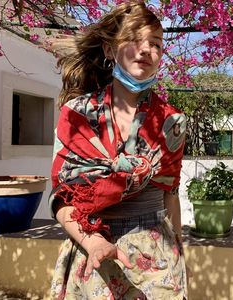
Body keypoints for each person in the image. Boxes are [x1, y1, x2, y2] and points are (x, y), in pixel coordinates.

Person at [49, 2, 188, 299]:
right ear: (110, 49)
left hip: (157, 257)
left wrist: (178, 249)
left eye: (156, 44)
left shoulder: (172, 122)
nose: (146, 49)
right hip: (91, 249)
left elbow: (170, 192)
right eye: (134, 39)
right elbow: (62, 198)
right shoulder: (77, 114)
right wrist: (93, 242)